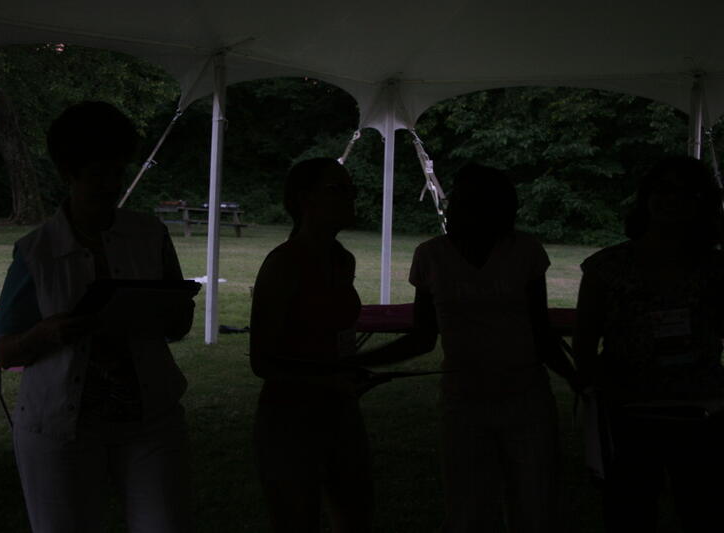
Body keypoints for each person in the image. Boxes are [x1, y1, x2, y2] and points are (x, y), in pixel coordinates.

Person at [0, 101, 196, 533]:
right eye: (97, 174)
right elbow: (5, 350)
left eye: (118, 171)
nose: (112, 186)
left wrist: (166, 311)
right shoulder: (36, 252)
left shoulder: (149, 235)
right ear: (68, 174)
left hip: (150, 419)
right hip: (58, 429)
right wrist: (48, 334)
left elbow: (178, 324)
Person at [358, 163, 580, 532]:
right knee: (469, 507)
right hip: (464, 402)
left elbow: (540, 331)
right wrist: (359, 361)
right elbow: (423, 336)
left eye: (462, 197)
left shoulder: (524, 251)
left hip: (525, 397)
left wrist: (577, 377)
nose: (451, 204)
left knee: (534, 504)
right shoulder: (431, 256)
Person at [573, 156, 724, 533]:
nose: (672, 199)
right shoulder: (605, 266)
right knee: (629, 513)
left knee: (702, 510)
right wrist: (599, 391)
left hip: (701, 412)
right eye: (663, 189)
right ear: (646, 198)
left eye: (686, 192)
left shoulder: (716, 268)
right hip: (630, 413)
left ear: (702, 202)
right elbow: (585, 341)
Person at [249, 157, 373, 533]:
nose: (350, 198)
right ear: (305, 200)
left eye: (352, 190)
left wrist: (350, 373)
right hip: (290, 421)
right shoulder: (283, 264)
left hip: (341, 415)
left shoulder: (342, 260)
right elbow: (262, 362)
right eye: (338, 190)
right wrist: (327, 382)